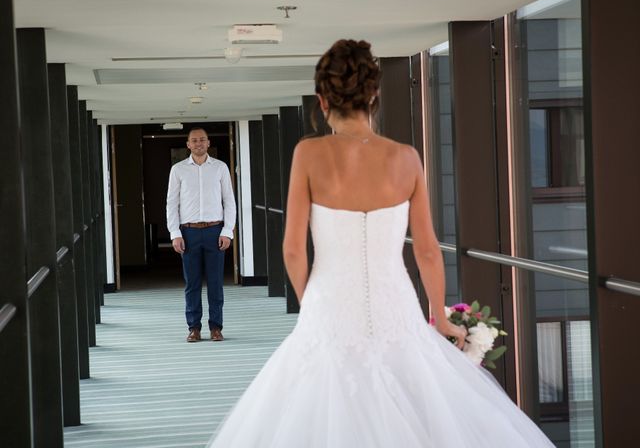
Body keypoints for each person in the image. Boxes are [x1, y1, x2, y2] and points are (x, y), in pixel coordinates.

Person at [206, 40, 553, 447]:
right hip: (397, 309)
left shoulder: (309, 153)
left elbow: (293, 250)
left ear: (322, 101)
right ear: (374, 96)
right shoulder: (406, 158)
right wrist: (440, 320)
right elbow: (426, 249)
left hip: (329, 308)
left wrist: (312, 302)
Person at [166, 127, 236, 343]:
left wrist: (228, 231)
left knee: (215, 283)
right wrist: (175, 233)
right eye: (194, 140)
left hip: (215, 231)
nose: (198, 143)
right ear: (188, 144)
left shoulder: (220, 168)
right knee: (192, 283)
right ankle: (193, 328)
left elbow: (229, 201)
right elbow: (172, 203)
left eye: (202, 140)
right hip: (188, 233)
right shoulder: (178, 170)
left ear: (208, 143)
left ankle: (216, 327)